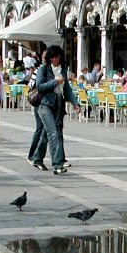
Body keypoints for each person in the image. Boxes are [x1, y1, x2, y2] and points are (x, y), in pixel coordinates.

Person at [30, 45, 80, 174]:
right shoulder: (43, 69)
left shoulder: (63, 71)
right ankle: (57, 164)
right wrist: (55, 82)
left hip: (58, 104)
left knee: (47, 134)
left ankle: (37, 158)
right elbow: (39, 86)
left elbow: (67, 89)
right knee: (53, 133)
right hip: (44, 104)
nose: (54, 59)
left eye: (56, 57)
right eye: (52, 57)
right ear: (48, 58)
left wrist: (75, 103)